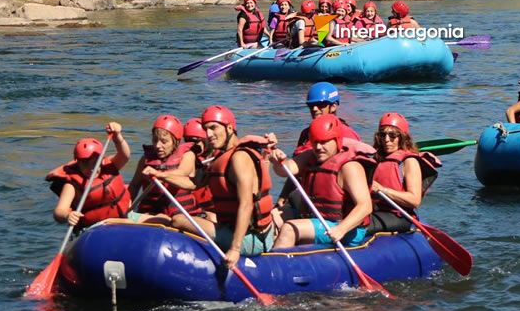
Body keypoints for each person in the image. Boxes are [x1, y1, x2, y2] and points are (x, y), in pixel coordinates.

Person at [170, 106, 276, 268]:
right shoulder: (222, 156)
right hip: (239, 230)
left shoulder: (239, 157)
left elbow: (246, 204)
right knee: (202, 217)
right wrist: (161, 175)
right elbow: (194, 184)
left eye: (214, 128)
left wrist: (234, 249)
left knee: (178, 220)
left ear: (229, 128)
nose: (209, 134)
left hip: (253, 238)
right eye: (206, 129)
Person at [272, 113, 375, 249]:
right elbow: (284, 171)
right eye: (315, 142)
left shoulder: (350, 167)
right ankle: (263, 257)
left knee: (289, 229)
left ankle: (277, 268)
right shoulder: (310, 156)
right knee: (272, 216)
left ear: (337, 140)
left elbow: (365, 206)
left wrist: (341, 229)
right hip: (317, 219)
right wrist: (277, 161)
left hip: (345, 228)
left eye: (324, 141)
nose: (319, 147)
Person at [127, 115, 213, 224]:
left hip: (182, 215)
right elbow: (134, 185)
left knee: (211, 217)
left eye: (164, 141)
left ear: (175, 142)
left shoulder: (188, 155)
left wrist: (158, 174)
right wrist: (126, 205)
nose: (158, 145)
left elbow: (182, 173)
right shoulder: (145, 160)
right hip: (151, 214)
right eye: (155, 140)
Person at [47, 123, 132, 231]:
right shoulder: (72, 184)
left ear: (101, 160)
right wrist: (67, 215)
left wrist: (117, 136)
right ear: (78, 163)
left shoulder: (110, 166)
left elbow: (125, 155)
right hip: (95, 228)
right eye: (85, 164)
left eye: (94, 163)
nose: (91, 168)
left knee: (159, 220)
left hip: (125, 217)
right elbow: (59, 211)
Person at [367, 113, 440, 234]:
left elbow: (414, 200)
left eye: (392, 135)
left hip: (399, 216)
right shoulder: (374, 159)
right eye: (382, 135)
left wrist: (382, 190)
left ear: (402, 137)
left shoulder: (409, 162)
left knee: (361, 226)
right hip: (373, 210)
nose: (386, 140)